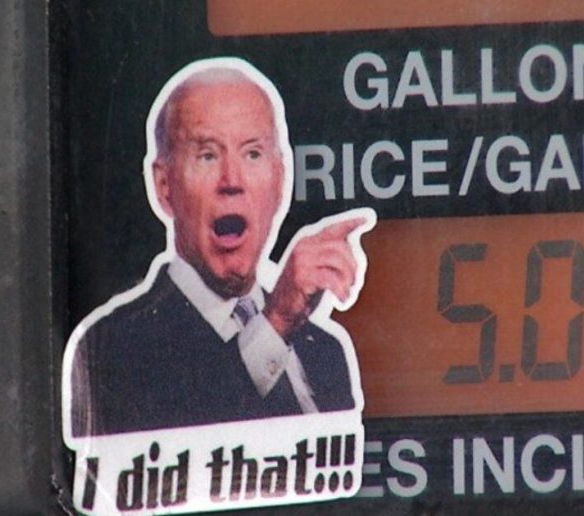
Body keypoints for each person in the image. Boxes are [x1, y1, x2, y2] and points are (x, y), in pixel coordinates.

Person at [66, 59, 371, 437]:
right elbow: (195, 445)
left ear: (279, 181)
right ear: (164, 186)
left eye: (252, 154)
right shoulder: (110, 350)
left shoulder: (325, 354)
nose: (232, 180)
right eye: (208, 155)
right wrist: (275, 323)